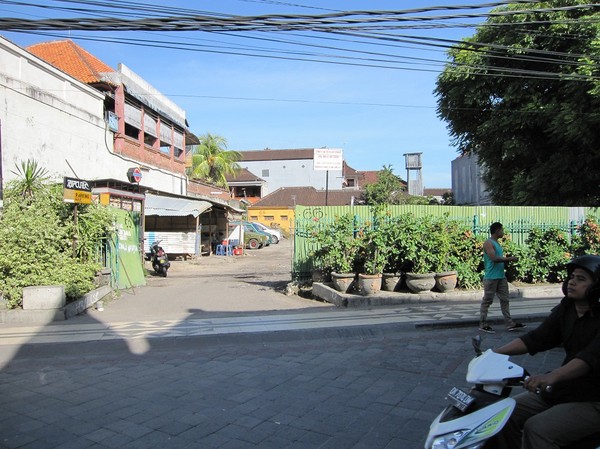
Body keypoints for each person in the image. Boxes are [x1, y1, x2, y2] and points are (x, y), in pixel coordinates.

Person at [493, 255, 600, 449]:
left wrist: (551, 377)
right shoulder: (567, 309)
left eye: (581, 279)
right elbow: (537, 338)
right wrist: (494, 354)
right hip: (566, 389)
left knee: (538, 429)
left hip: (593, 397)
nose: (572, 282)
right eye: (572, 277)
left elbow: (589, 358)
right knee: (503, 414)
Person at [479, 222, 526, 333]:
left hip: (501, 276)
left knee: (505, 300)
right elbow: (494, 258)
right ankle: (483, 323)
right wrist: (510, 259)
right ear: (497, 231)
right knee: (487, 301)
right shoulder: (488, 243)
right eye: (502, 230)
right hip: (491, 277)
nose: (503, 232)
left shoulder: (497, 243)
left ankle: (510, 323)